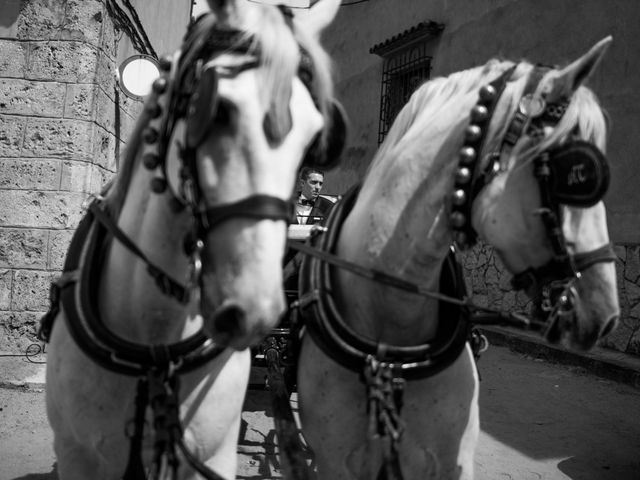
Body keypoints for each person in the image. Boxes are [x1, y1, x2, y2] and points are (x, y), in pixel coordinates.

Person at [283, 167, 335, 290]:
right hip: (283, 268)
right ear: (302, 183)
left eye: (320, 183)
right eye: (313, 182)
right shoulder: (286, 202)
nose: (317, 187)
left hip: (311, 272)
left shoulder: (329, 207)